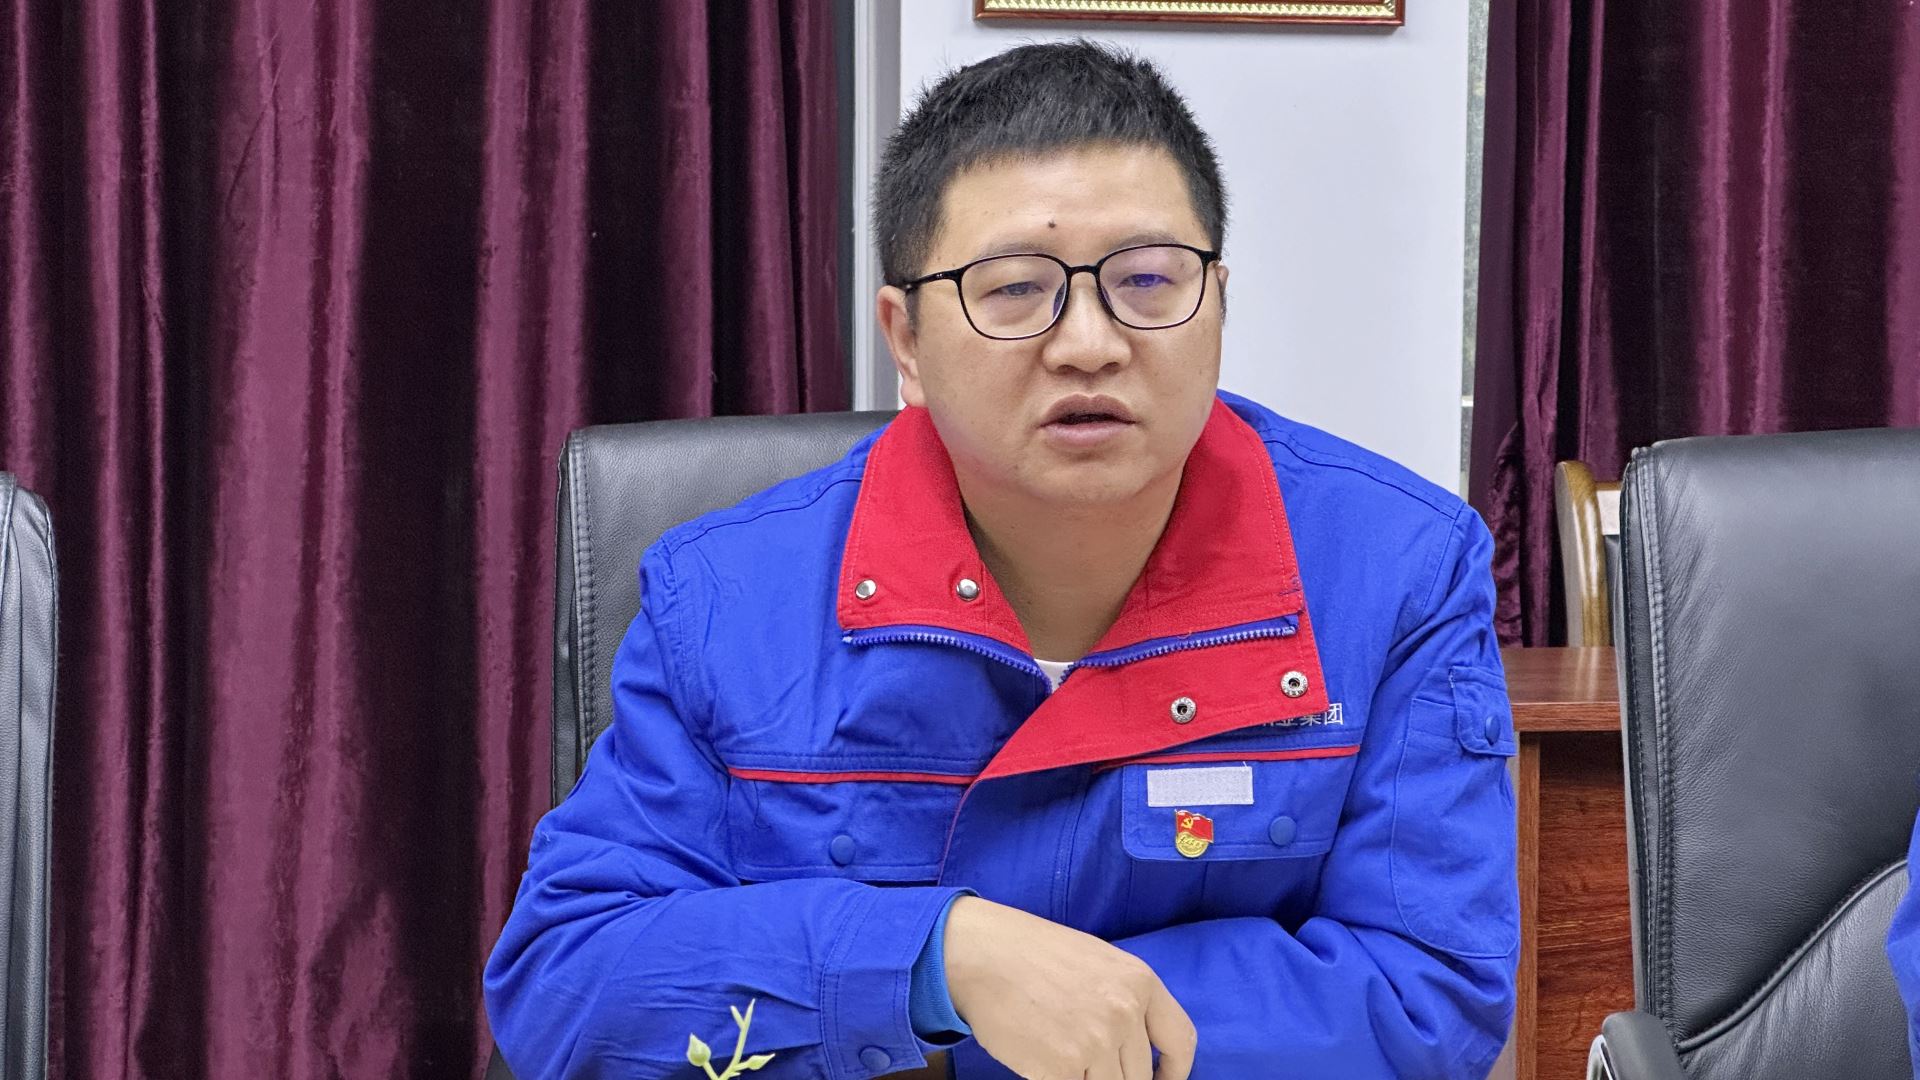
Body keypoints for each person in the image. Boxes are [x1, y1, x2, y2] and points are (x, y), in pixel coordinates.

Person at [485, 40, 1518, 1080]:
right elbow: (566, 986)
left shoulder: (1395, 571)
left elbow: (1427, 996)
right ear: (905, 340)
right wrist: (933, 963)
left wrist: (997, 1029)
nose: (1089, 344)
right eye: (1016, 289)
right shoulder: (727, 597)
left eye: (1148, 280)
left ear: (1217, 301)